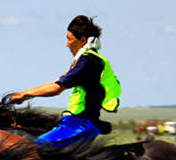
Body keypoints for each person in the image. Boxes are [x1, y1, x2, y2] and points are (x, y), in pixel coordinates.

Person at [9, 15, 121, 147]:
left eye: (69, 39)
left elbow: (57, 88)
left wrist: (25, 95)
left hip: (81, 124)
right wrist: (24, 93)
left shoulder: (88, 61)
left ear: (83, 40)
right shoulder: (85, 60)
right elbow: (55, 83)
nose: (66, 44)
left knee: (38, 147)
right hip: (74, 121)